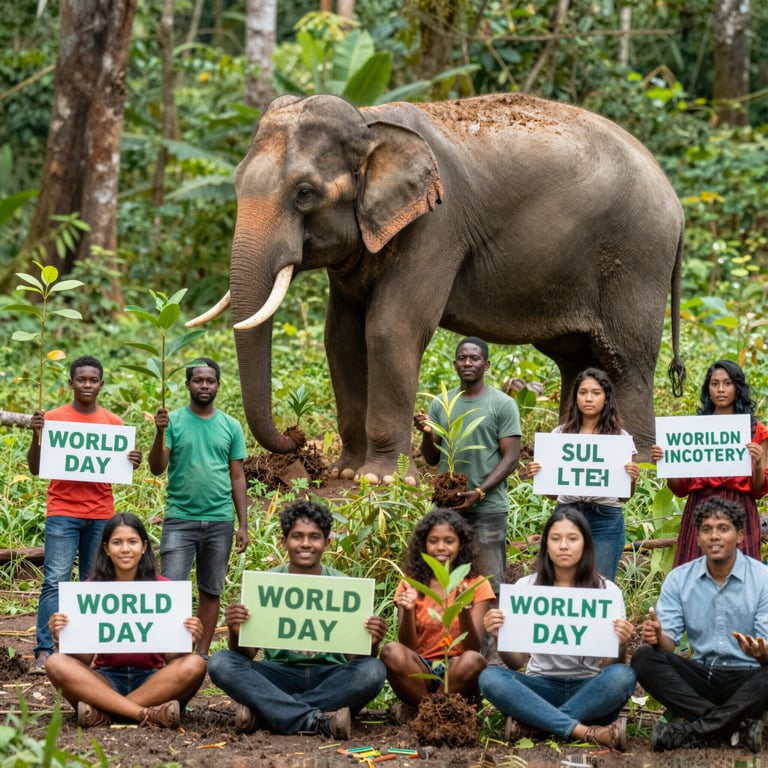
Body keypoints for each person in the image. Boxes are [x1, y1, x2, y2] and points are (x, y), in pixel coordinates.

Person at [207, 500, 388, 738]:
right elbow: (246, 654)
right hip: (278, 675)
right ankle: (314, 719)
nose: (305, 544)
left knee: (373, 671)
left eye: (314, 537)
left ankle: (268, 713)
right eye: (297, 536)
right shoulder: (266, 583)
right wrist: (235, 630)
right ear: (284, 542)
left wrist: (372, 640)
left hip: (330, 676)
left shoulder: (345, 586)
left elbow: (358, 659)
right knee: (221, 662)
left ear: (327, 543)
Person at [479, 506, 635, 750]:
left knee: (623, 676)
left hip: (588, 689)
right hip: (540, 687)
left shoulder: (607, 592)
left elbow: (609, 667)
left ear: (585, 544)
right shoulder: (526, 587)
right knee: (490, 677)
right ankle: (581, 730)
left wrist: (621, 642)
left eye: (572, 539)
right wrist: (499, 636)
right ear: (546, 545)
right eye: (556, 538)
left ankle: (537, 725)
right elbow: (515, 663)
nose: (564, 546)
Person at [26, 356, 143, 675]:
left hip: (101, 514)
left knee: (94, 584)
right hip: (62, 511)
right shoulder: (53, 418)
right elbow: (36, 467)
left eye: (93, 380)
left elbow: (122, 465)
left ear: (101, 385)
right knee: (55, 581)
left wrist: (133, 459)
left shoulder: (114, 423)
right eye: (82, 379)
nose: (87, 385)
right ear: (71, 383)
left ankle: (87, 652)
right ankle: (45, 651)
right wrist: (37, 435)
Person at [44, 513, 207, 728]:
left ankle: (107, 713)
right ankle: (144, 714)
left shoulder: (165, 589)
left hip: (154, 680)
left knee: (195, 663)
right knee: (56, 663)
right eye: (117, 543)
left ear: (144, 547)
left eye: (132, 542)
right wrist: (63, 637)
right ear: (105, 548)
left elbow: (172, 658)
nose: (125, 549)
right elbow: (83, 660)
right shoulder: (91, 589)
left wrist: (189, 638)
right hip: (105, 680)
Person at [631, 496, 768, 753]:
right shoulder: (679, 579)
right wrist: (657, 635)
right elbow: (668, 645)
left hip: (748, 678)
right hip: (704, 675)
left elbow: (765, 647)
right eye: (707, 530)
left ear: (739, 536)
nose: (714, 536)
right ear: (698, 538)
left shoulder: (762, 579)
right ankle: (733, 725)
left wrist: (763, 654)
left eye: (723, 529)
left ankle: (695, 730)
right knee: (644, 658)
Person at [148, 358, 249, 657]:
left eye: (210, 380)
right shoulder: (174, 421)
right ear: (188, 384)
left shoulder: (231, 426)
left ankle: (201, 654)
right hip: (180, 519)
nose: (204, 385)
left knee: (211, 588)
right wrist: (159, 432)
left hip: (219, 520)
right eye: (198, 380)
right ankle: (173, 653)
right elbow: (157, 467)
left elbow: (237, 475)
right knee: (172, 590)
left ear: (218, 385)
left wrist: (242, 524)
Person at [414, 336, 521, 595]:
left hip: (488, 509)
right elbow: (431, 458)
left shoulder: (502, 404)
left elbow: (511, 458)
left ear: (486, 365)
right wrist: (427, 433)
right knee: (445, 583)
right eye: (462, 358)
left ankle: (489, 637)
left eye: (474, 358)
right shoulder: (441, 403)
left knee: (490, 583)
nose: (468, 363)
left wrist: (480, 492)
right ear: (454, 364)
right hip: (448, 509)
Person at [522, 368, 639, 580]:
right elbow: (551, 495)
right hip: (567, 513)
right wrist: (539, 474)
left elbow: (625, 496)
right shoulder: (560, 435)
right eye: (583, 392)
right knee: (564, 580)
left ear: (606, 398)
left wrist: (631, 477)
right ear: (575, 397)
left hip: (606, 518)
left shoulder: (620, 438)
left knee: (601, 583)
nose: (589, 398)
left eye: (596, 393)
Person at [380, 508, 495, 722]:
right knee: (391, 652)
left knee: (473, 660)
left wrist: (463, 611)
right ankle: (442, 712)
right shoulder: (411, 583)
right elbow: (408, 647)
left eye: (449, 541)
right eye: (433, 541)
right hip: (421, 668)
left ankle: (424, 713)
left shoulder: (477, 584)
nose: (441, 548)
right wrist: (407, 610)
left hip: (457, 669)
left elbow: (473, 648)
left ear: (461, 544)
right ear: (423, 544)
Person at [650, 359, 767, 566]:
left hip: (740, 509)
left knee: (741, 579)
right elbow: (681, 488)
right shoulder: (693, 429)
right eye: (714, 384)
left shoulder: (756, 430)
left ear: (737, 387)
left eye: (727, 383)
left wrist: (757, 465)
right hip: (699, 507)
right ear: (708, 389)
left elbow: (758, 490)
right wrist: (667, 463)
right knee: (695, 576)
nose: (721, 389)